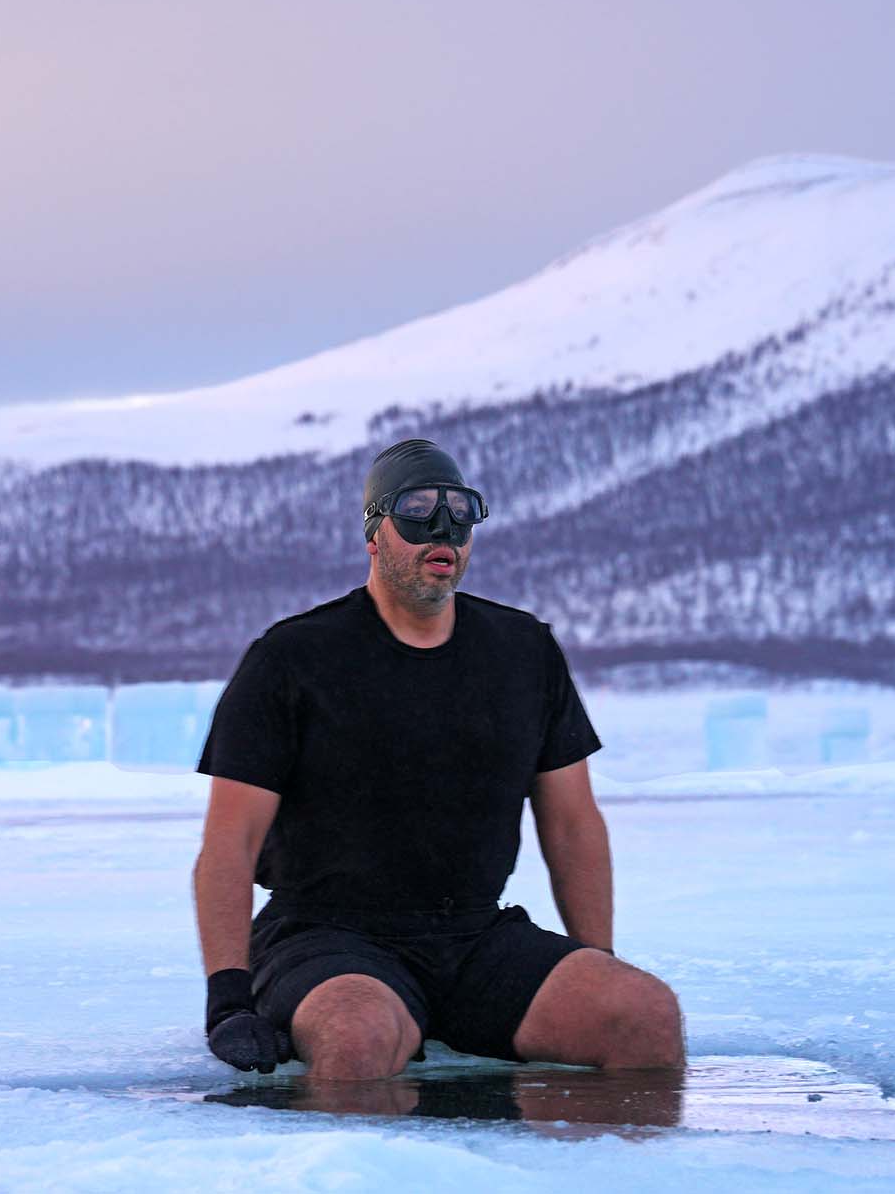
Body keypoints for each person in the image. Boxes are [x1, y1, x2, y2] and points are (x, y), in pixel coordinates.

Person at [191, 438, 684, 1079]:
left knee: (642, 1016)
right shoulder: (292, 659)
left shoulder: (523, 653)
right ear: (375, 534)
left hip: (474, 936)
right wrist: (228, 999)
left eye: (460, 512)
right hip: (324, 935)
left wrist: (597, 958)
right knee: (359, 1036)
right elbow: (231, 840)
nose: (442, 530)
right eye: (418, 512)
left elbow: (572, 822)